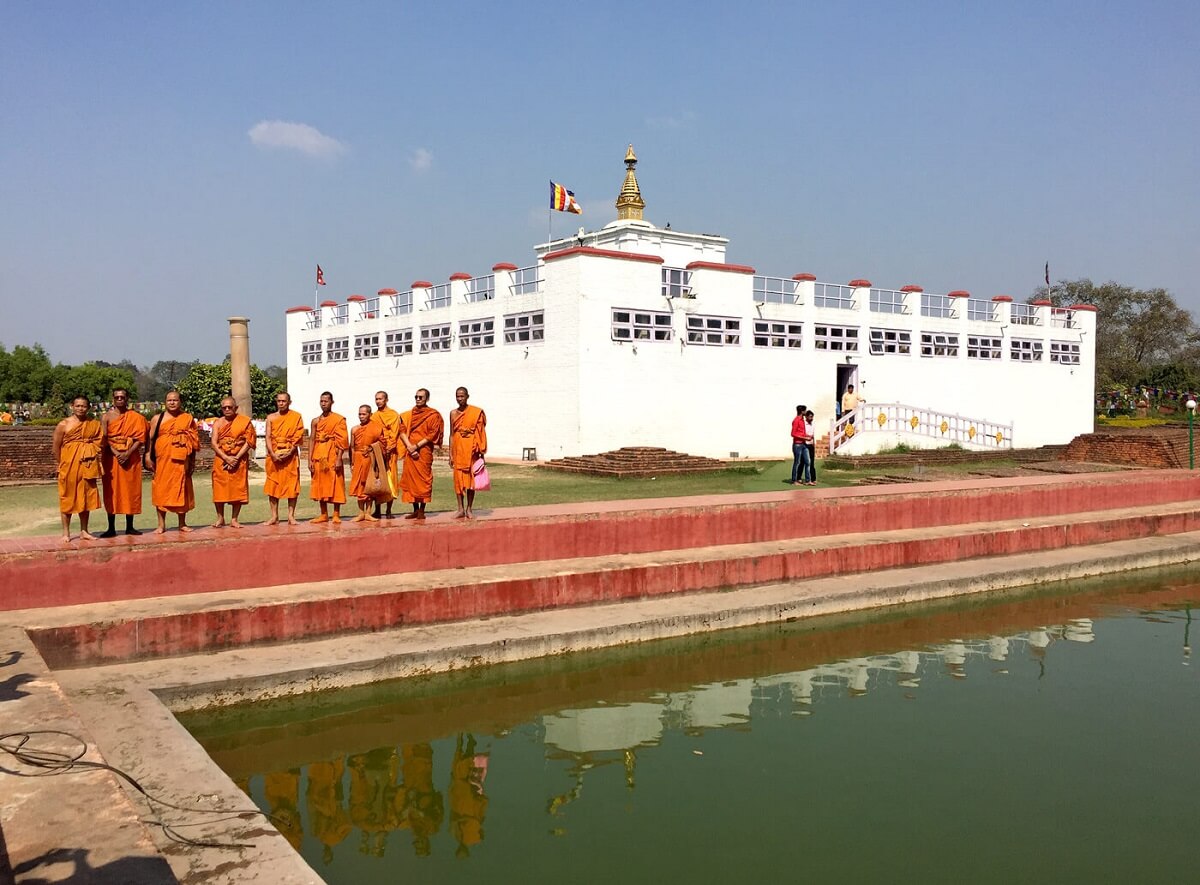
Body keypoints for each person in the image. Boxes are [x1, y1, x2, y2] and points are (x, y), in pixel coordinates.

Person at [145, 390, 199, 534]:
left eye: (175, 400)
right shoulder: (158, 418)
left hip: (182, 459)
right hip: (163, 460)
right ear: (165, 402)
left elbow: (193, 440)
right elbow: (150, 439)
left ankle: (182, 523)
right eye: (169, 400)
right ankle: (161, 524)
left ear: (180, 402)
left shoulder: (187, 418)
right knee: (160, 489)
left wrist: (192, 461)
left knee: (182, 488)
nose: (172, 403)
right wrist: (148, 456)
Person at [99, 387, 148, 537]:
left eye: (122, 397)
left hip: (131, 457)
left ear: (127, 399)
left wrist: (127, 453)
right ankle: (111, 528)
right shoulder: (106, 417)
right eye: (117, 397)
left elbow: (140, 438)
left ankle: (130, 526)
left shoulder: (136, 417)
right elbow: (104, 438)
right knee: (111, 491)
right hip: (111, 458)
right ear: (113, 399)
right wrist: (117, 453)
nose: (120, 400)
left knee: (130, 490)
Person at [54, 395, 103, 541]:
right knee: (67, 498)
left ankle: (84, 531)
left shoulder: (93, 424)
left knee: (86, 498)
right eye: (78, 406)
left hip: (87, 465)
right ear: (72, 406)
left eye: (83, 406)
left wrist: (87, 448)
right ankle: (66, 533)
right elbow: (56, 447)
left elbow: (99, 442)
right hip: (69, 466)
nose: (81, 409)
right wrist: (62, 464)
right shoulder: (63, 424)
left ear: (88, 408)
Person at [398, 388, 444, 520]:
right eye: (416, 397)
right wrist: (409, 447)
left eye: (421, 397)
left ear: (427, 399)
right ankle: (415, 510)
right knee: (410, 480)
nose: (418, 399)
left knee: (424, 480)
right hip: (410, 449)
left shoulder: (433, 415)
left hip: (424, 451)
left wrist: (417, 446)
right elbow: (402, 431)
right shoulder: (408, 414)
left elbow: (432, 434)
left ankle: (422, 510)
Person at [210, 396, 256, 528]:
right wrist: (226, 458)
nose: (227, 409)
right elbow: (214, 443)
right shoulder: (218, 423)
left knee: (238, 488)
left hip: (239, 460)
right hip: (221, 460)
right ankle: (220, 518)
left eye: (230, 407)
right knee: (219, 489)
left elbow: (249, 441)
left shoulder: (244, 421)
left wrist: (236, 458)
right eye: (224, 407)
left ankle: (234, 519)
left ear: (236, 408)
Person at [309, 391, 348, 524]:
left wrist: (339, 458)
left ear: (332, 402)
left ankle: (336, 514)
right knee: (320, 483)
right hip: (319, 454)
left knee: (336, 482)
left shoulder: (339, 419)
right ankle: (323, 514)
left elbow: (342, 440)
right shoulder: (315, 421)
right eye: (321, 401)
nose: (323, 403)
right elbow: (312, 439)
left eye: (326, 401)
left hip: (333, 453)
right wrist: (310, 459)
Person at [265, 391, 304, 525]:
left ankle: (291, 516)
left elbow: (298, 436)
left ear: (289, 402)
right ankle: (274, 516)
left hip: (290, 455)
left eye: (284, 401)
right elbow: (268, 437)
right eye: (279, 401)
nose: (281, 403)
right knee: (273, 485)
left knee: (292, 485)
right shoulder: (271, 417)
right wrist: (272, 454)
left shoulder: (296, 416)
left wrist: (290, 452)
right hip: (274, 455)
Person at [448, 386, 487, 519]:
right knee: (458, 481)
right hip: (458, 450)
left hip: (472, 451)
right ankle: (460, 509)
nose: (460, 399)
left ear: (467, 397)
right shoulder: (453, 413)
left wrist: (481, 453)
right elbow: (451, 434)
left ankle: (469, 508)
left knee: (471, 481)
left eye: (462, 396)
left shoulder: (476, 412)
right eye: (457, 396)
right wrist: (450, 454)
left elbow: (480, 433)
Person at [349, 404, 383, 522]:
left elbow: (382, 444)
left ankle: (368, 513)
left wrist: (371, 448)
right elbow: (352, 447)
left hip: (370, 459)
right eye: (360, 414)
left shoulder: (376, 428)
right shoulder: (354, 429)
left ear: (370, 414)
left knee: (369, 485)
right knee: (359, 486)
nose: (361, 416)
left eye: (364, 414)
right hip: (358, 458)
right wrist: (352, 463)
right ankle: (361, 513)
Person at [371, 390, 401, 518]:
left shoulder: (393, 415)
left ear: (386, 400)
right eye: (376, 399)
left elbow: (395, 433)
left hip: (390, 452)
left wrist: (389, 448)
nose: (378, 401)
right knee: (377, 479)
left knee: (390, 480)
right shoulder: (374, 416)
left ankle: (389, 510)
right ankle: (377, 510)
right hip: (377, 451)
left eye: (380, 399)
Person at [788, 404, 808, 485]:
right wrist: (804, 437)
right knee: (797, 462)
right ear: (802, 411)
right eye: (805, 410)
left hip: (803, 443)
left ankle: (800, 478)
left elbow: (801, 432)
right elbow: (793, 433)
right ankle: (794, 480)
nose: (806, 412)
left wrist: (807, 436)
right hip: (797, 444)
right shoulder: (796, 420)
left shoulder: (802, 420)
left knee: (806, 461)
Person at [804, 409, 818, 485]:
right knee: (804, 462)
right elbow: (803, 434)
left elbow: (813, 435)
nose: (811, 418)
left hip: (811, 444)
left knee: (812, 462)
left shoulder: (813, 424)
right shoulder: (804, 425)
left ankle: (813, 478)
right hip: (805, 444)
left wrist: (813, 443)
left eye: (812, 417)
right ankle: (799, 478)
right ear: (806, 417)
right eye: (810, 417)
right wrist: (808, 436)